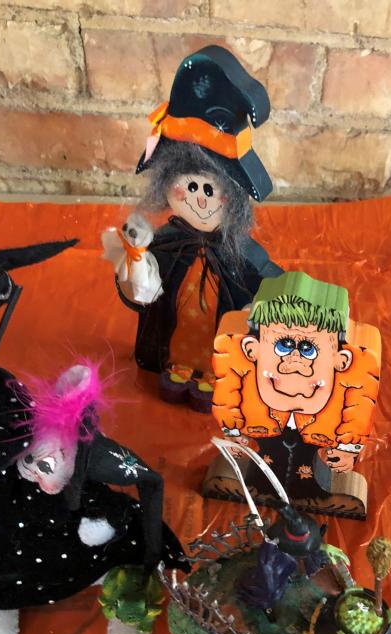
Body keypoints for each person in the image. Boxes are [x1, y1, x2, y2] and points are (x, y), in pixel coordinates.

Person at [105, 45, 282, 412]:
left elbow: (270, 286)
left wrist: (263, 310)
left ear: (233, 200)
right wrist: (134, 259)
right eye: (188, 187)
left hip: (221, 358)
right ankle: (176, 369)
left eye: (210, 190)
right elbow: (141, 293)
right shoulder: (166, 244)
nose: (199, 199)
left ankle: (211, 375)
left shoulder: (240, 257)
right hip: (168, 353)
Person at [212, 271, 380, 501]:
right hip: (265, 425)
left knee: (304, 462)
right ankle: (261, 485)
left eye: (308, 349)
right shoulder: (236, 361)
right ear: (252, 349)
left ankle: (307, 491)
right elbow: (228, 393)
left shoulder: (355, 375)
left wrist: (347, 447)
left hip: (316, 431)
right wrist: (232, 431)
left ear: (340, 360)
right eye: (284, 345)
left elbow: (359, 405)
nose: (295, 361)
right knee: (270, 456)